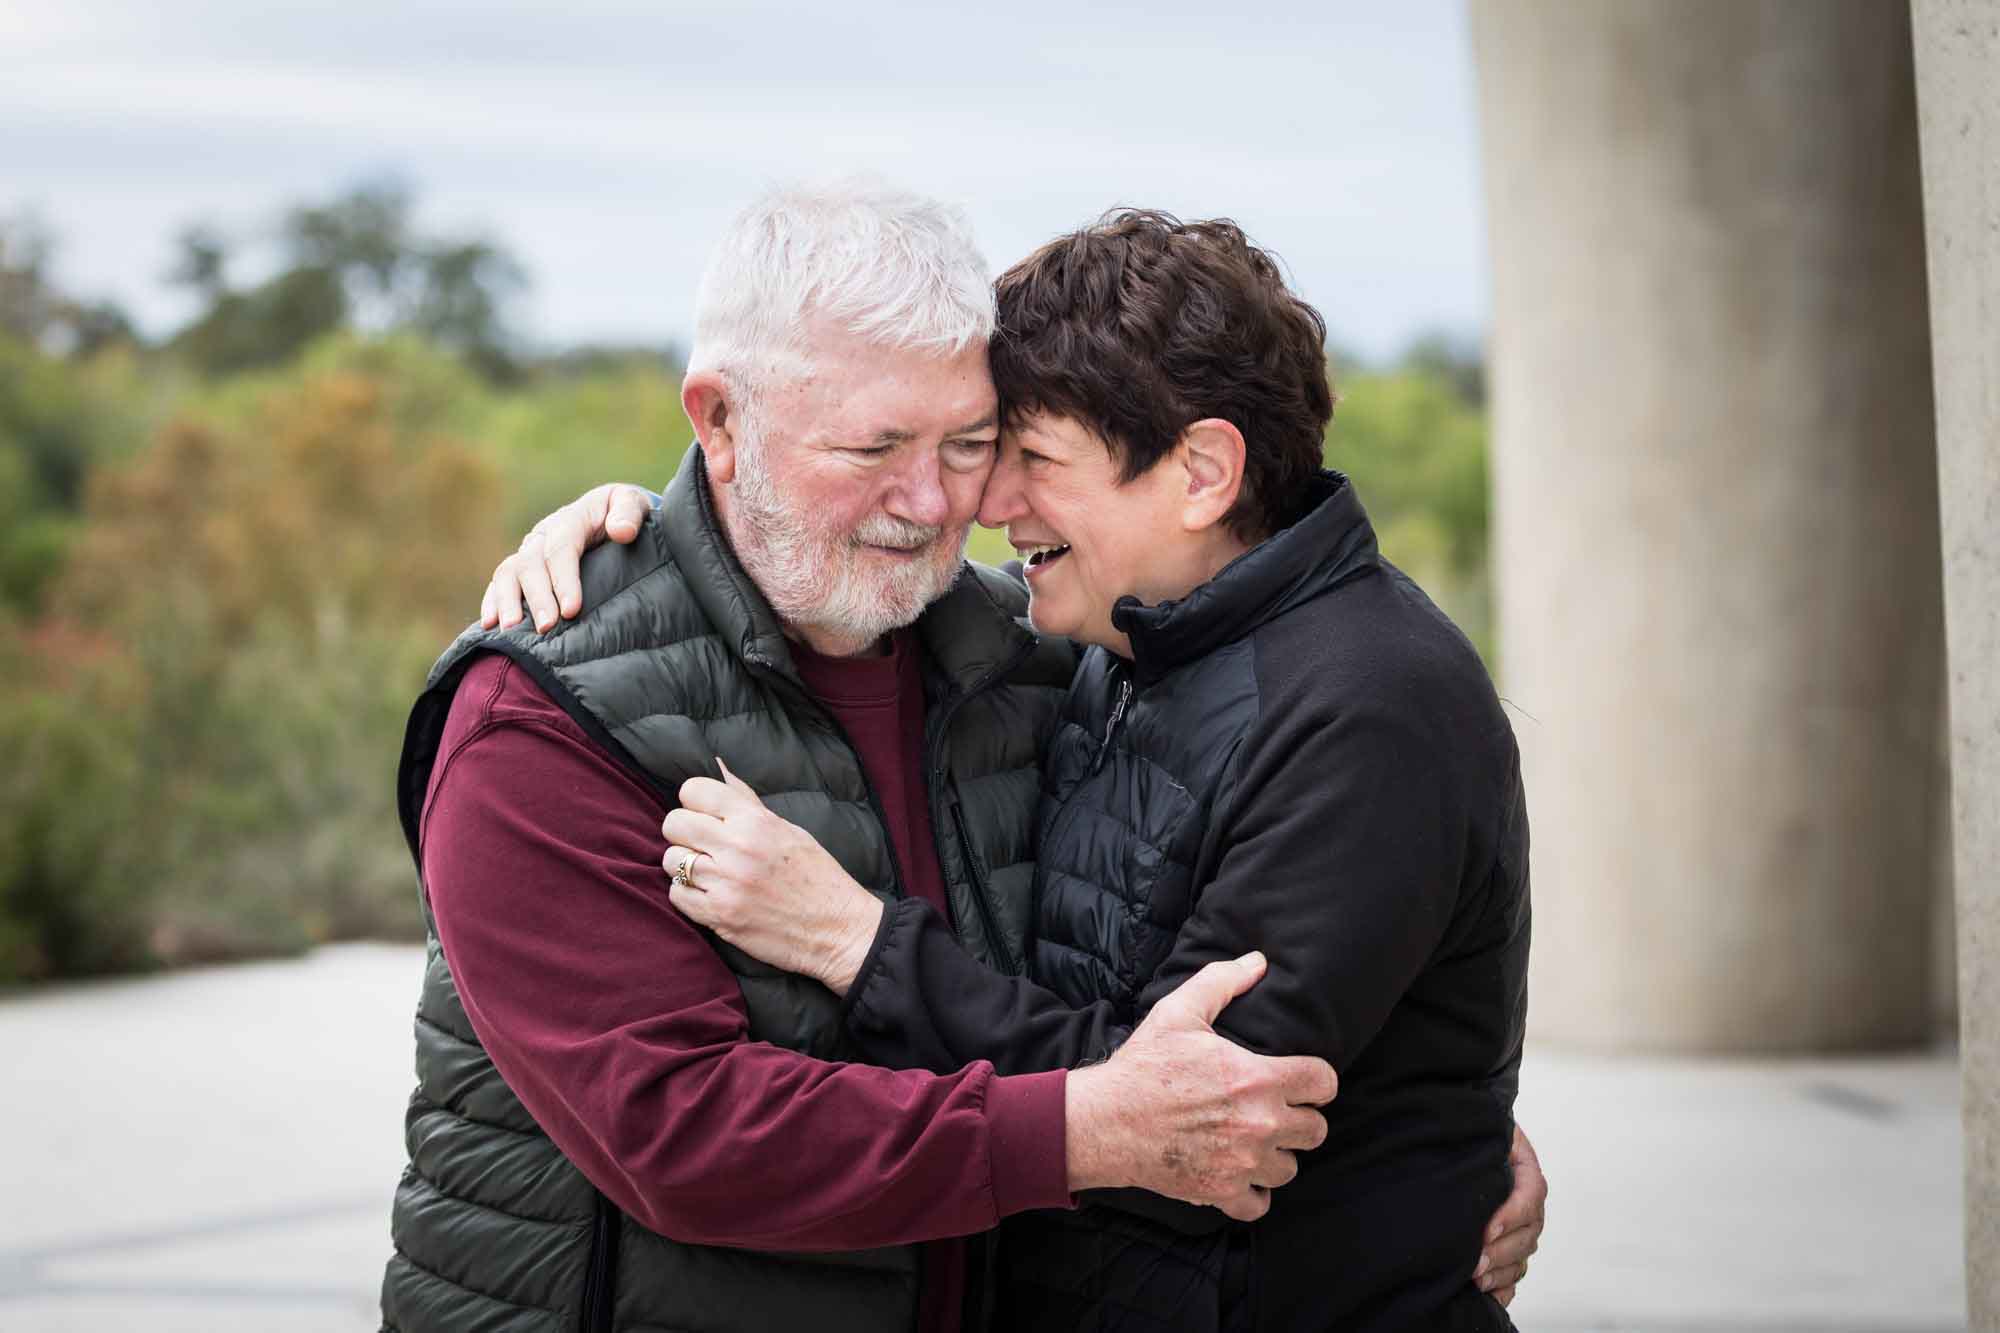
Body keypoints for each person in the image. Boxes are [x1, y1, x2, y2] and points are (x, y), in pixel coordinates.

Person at [387, 182, 1530, 1333]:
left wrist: (1428, 1121)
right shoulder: (536, 715)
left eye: (971, 443)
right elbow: (680, 1132)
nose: (943, 502)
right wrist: (1087, 1127)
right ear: (719, 423)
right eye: (873, 446)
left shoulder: (1026, 658)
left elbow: (1226, 1053)